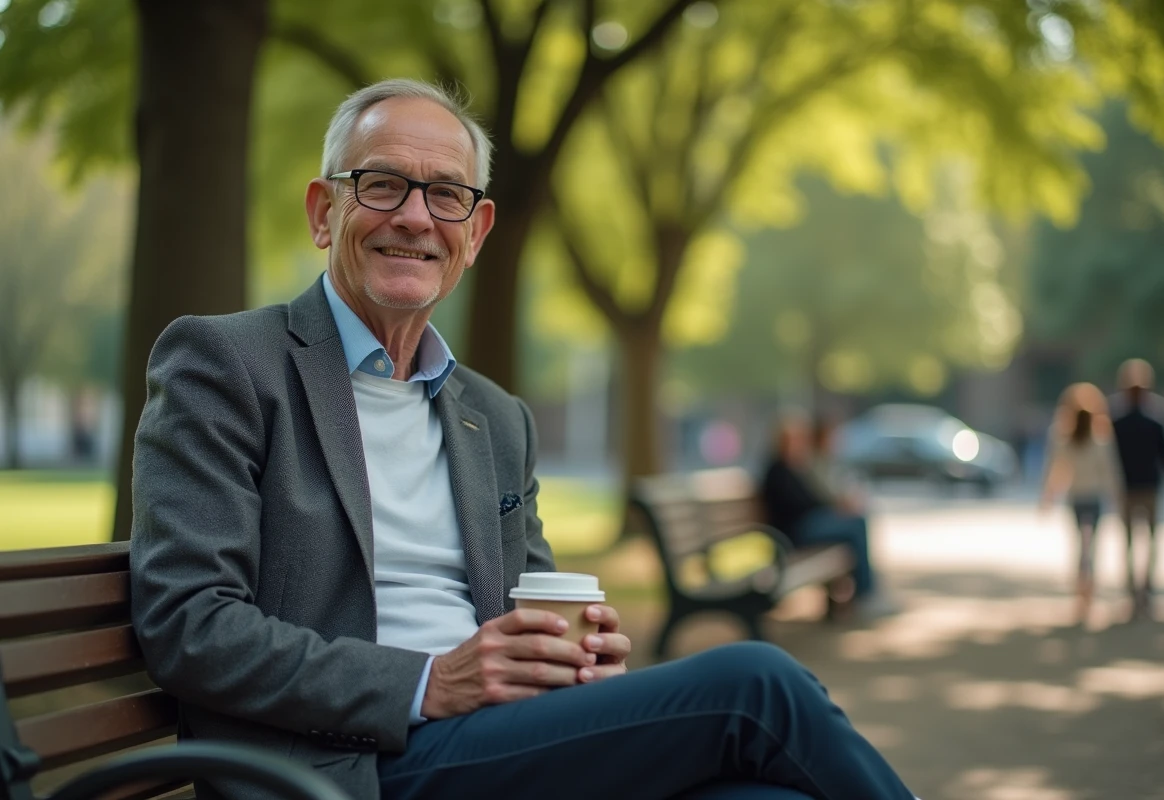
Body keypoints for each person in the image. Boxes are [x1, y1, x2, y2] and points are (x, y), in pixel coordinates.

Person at [128, 79, 917, 800]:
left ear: (476, 232)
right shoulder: (227, 364)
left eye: (445, 195)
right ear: (323, 211)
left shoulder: (496, 417)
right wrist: (426, 682)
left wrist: (577, 654)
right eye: (381, 184)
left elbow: (529, 604)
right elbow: (190, 623)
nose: (414, 216)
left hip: (493, 747)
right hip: (339, 769)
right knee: (757, 685)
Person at [759, 415, 885, 613]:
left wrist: (836, 507)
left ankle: (864, 593)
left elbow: (810, 501)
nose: (799, 445)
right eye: (794, 440)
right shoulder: (778, 471)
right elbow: (797, 505)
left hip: (806, 525)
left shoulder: (794, 467)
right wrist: (831, 507)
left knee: (854, 525)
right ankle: (866, 595)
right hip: (794, 533)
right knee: (855, 526)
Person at [1109, 359, 1164, 618]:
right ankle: (1145, 587)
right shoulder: (1155, 417)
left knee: (1131, 541)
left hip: (1129, 486)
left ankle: (1135, 588)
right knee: (1149, 538)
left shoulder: (1117, 419)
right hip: (1147, 486)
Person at [1039, 383, 1123, 626]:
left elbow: (1054, 468)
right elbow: (1109, 471)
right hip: (1092, 498)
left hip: (1077, 498)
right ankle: (1087, 593)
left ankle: (1082, 595)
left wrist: (1048, 496)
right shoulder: (1099, 436)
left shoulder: (1064, 435)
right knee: (1090, 546)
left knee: (1081, 546)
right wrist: (1116, 496)